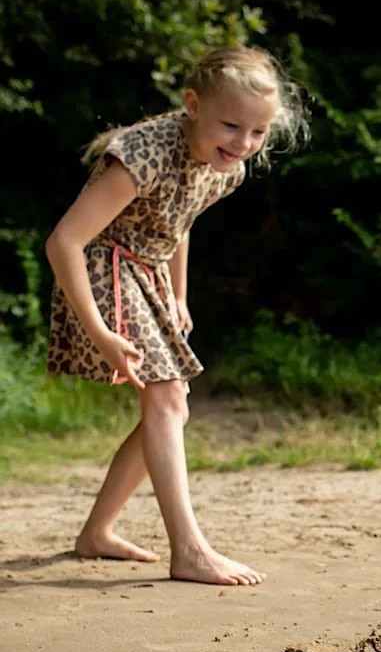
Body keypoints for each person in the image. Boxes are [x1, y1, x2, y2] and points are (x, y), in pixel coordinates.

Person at [45, 45, 309, 585]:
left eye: (257, 133)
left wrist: (180, 294)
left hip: (150, 271)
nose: (244, 144)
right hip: (103, 263)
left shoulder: (225, 165)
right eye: (232, 126)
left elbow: (180, 218)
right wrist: (99, 331)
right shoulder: (142, 154)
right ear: (193, 104)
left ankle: (97, 533)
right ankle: (189, 551)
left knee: (173, 406)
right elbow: (64, 242)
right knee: (166, 397)